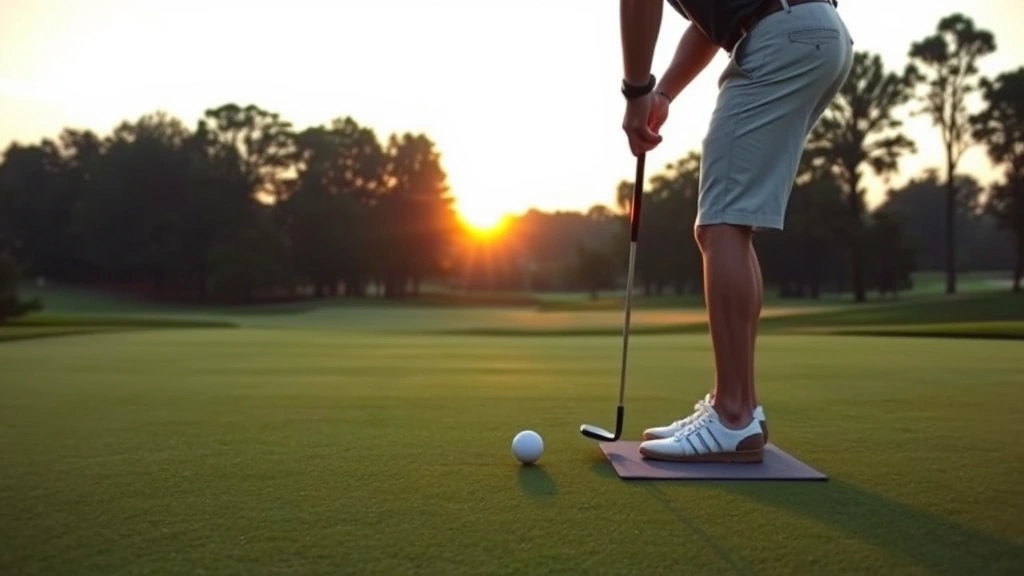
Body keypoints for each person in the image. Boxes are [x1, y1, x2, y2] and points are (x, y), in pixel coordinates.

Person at [618, 0, 853, 463]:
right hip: (814, 31)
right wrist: (663, 93)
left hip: (779, 32)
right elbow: (709, 25)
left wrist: (636, 93)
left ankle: (732, 416)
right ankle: (742, 407)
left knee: (720, 224)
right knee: (732, 222)